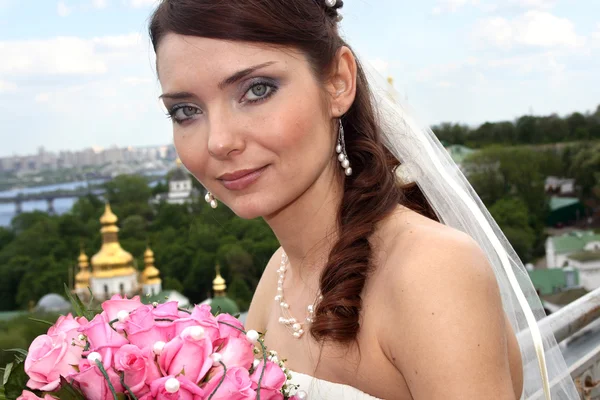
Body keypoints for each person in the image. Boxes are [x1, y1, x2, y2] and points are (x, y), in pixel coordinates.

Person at [148, 1, 577, 399]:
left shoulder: (430, 272)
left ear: (338, 82)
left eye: (257, 90)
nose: (219, 141)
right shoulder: (278, 274)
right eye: (186, 111)